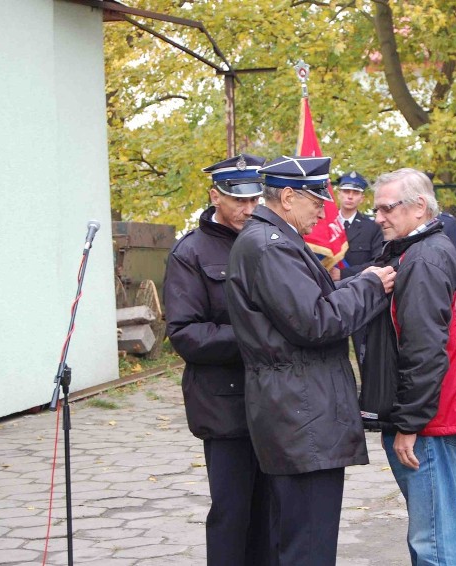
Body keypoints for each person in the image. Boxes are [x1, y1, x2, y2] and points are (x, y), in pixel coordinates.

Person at [225, 155, 396, 566]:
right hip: (302, 416)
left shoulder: (272, 242)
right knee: (309, 545)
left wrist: (356, 282)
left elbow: (305, 305)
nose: (325, 208)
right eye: (316, 199)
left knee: (298, 539)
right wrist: (370, 287)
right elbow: (316, 322)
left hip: (297, 412)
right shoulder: (270, 247)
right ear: (287, 197)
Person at [358, 168, 456, 566]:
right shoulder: (413, 251)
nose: (378, 216)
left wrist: (410, 424)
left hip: (429, 421)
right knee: (430, 532)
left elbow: (425, 351)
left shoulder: (424, 258)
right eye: (376, 208)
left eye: (386, 207)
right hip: (426, 415)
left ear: (419, 207)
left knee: (432, 539)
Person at [163, 154, 270, 566]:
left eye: (254, 199)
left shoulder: (266, 241)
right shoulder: (191, 252)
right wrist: (256, 338)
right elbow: (186, 334)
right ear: (215, 196)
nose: (248, 208)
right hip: (224, 402)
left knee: (271, 511)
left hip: (273, 398)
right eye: (237, 200)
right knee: (232, 513)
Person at [328, 171, 384, 281]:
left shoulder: (373, 227)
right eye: (346, 191)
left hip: (359, 288)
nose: (350, 196)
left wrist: (343, 274)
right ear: (339, 194)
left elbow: (378, 262)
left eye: (355, 193)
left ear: (362, 198)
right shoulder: (327, 224)